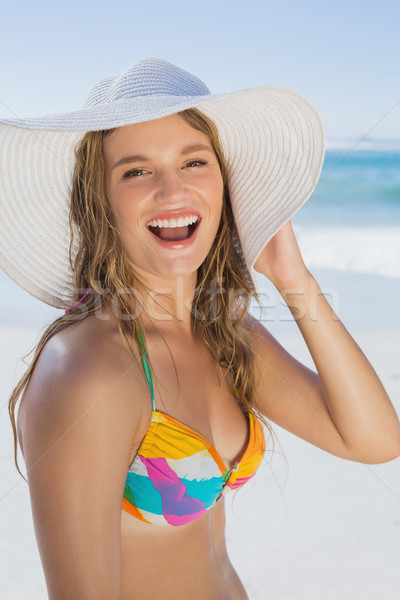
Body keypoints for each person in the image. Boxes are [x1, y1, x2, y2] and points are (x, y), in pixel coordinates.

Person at [1, 58, 399, 600]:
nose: (172, 191)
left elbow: (374, 441)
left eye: (194, 162)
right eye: (136, 171)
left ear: (225, 182)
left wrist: (292, 276)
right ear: (100, 202)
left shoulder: (226, 334)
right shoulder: (89, 369)